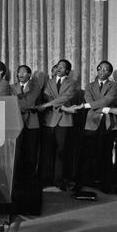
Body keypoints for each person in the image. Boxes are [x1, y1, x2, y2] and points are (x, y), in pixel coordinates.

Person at [73, 61, 117, 193]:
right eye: (100, 69)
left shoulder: (115, 85)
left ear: (110, 73)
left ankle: (105, 185)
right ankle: (81, 182)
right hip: (91, 122)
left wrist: (89, 106)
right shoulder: (89, 86)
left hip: (108, 124)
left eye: (106, 70)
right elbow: (89, 100)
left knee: (106, 155)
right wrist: (108, 109)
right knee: (86, 155)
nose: (102, 71)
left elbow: (108, 99)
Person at [38, 59, 77, 191]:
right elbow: (47, 96)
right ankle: (45, 179)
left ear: (67, 70)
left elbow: (65, 98)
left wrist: (48, 105)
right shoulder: (49, 82)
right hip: (49, 119)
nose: (59, 68)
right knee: (47, 151)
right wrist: (53, 103)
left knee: (61, 151)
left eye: (63, 67)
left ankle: (59, 180)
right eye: (58, 66)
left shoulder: (72, 83)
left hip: (64, 121)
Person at [11, 65, 42, 214]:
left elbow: (28, 103)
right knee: (17, 153)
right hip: (15, 123)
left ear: (29, 74)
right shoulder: (11, 87)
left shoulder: (35, 87)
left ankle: (29, 181)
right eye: (19, 72)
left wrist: (18, 103)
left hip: (32, 124)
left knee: (30, 153)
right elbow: (10, 103)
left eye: (23, 72)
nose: (20, 74)